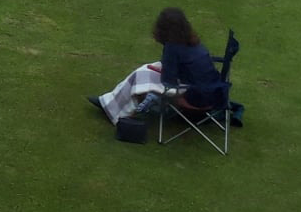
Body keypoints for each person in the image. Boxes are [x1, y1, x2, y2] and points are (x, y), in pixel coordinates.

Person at [91, 8, 224, 125]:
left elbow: (169, 81)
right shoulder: (195, 44)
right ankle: (111, 103)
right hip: (213, 95)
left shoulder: (173, 48)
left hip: (195, 98)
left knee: (140, 75)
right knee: (145, 71)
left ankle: (115, 109)